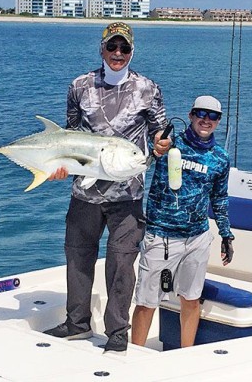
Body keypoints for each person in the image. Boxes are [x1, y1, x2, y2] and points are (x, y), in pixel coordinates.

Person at [44, 22, 170, 354]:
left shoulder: (147, 88)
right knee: (77, 256)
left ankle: (117, 332)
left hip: (127, 194)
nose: (117, 54)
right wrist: (58, 166)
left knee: (121, 262)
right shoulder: (79, 86)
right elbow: (68, 135)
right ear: (101, 49)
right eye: (111, 48)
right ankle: (77, 324)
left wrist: (161, 146)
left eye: (124, 49)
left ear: (132, 51)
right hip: (84, 191)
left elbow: (159, 133)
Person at [131, 95, 234, 348]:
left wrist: (226, 235)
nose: (206, 120)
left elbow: (219, 198)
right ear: (190, 115)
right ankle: (134, 357)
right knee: (147, 301)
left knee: (191, 299)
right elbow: (142, 159)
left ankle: (185, 357)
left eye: (213, 116)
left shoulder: (220, 158)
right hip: (161, 234)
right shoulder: (168, 143)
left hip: (197, 238)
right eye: (201, 113)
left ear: (218, 122)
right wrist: (155, 148)